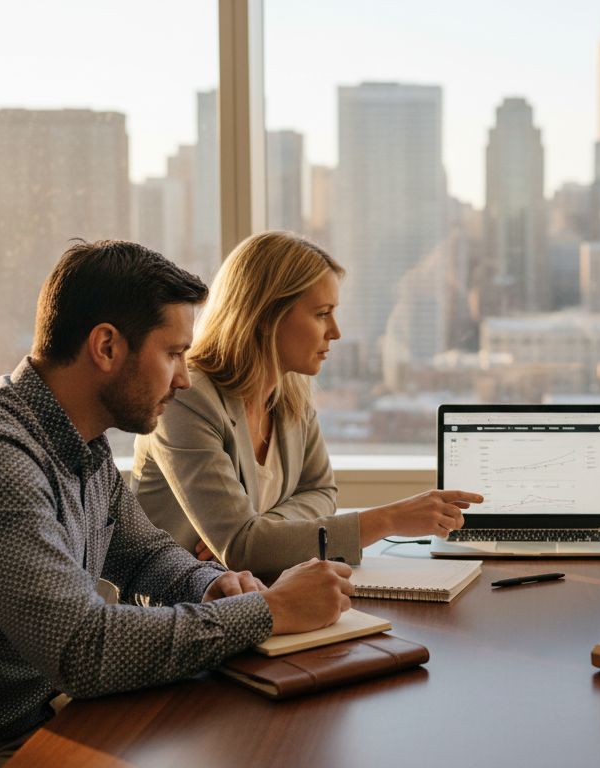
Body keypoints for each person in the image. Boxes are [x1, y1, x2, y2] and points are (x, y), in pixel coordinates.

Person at [0, 240, 353, 761]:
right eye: (172, 354)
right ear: (106, 347)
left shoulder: (81, 440)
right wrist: (266, 611)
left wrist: (215, 584)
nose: (186, 380)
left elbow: (146, 554)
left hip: (33, 717)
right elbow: (84, 650)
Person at [131, 231, 482, 577]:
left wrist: (264, 529)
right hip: (186, 610)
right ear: (266, 316)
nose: (336, 331)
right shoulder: (188, 399)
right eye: (322, 314)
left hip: (265, 590)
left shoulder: (291, 391)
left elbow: (321, 491)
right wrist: (388, 519)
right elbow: (241, 549)